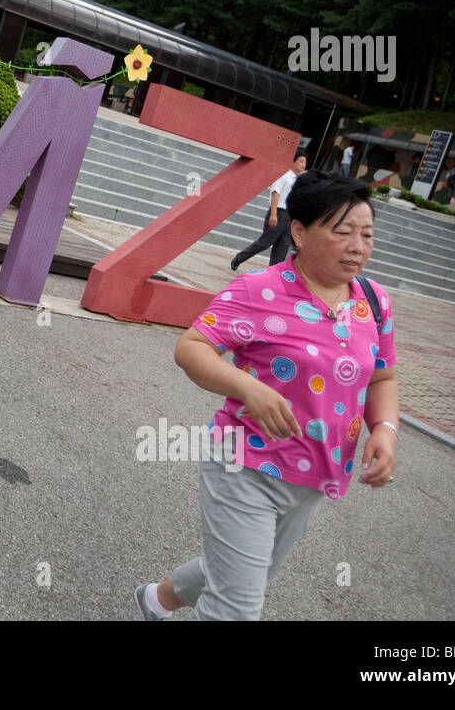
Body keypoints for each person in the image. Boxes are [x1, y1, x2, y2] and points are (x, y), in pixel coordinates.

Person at [135, 170, 398, 620]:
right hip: (246, 463)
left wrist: (385, 430)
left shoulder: (372, 301)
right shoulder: (258, 291)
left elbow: (382, 378)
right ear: (299, 230)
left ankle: (156, 600)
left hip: (316, 473)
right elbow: (191, 348)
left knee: (246, 572)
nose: (358, 246)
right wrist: (247, 387)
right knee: (236, 606)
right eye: (342, 232)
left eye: (367, 234)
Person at [230, 153, 306, 271]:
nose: (303, 165)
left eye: (305, 162)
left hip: (290, 216)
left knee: (283, 246)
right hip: (279, 213)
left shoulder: (299, 181)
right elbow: (275, 193)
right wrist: (274, 214)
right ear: (293, 162)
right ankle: (239, 258)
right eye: (301, 161)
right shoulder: (284, 175)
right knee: (265, 242)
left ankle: (273, 273)